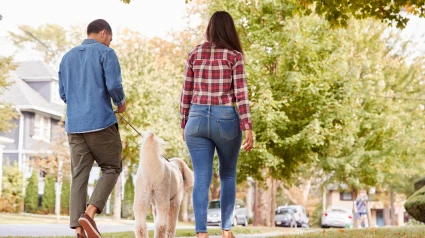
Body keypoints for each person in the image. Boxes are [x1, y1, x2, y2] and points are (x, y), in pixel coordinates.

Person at [180, 11, 254, 238]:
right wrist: (247, 125)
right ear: (229, 30)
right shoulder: (234, 56)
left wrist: (184, 123)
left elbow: (186, 92)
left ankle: (201, 232)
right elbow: (241, 93)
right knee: (228, 174)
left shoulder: (194, 54)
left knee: (202, 176)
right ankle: (226, 230)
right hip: (226, 120)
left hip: (197, 118)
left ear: (210, 28)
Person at [59, 19, 126, 238]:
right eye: (110, 39)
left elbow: (63, 94)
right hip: (101, 123)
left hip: (75, 126)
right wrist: (121, 103)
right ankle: (89, 214)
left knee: (79, 175)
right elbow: (114, 86)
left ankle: (79, 230)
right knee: (112, 167)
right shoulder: (106, 53)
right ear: (104, 33)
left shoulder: (67, 57)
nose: (109, 43)